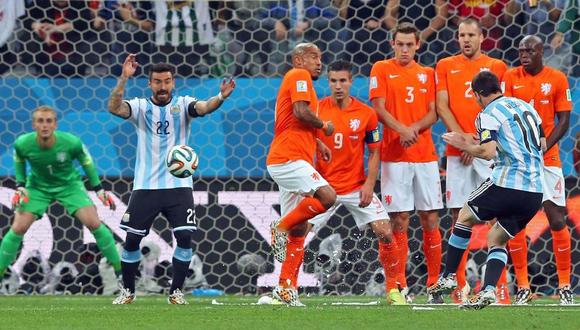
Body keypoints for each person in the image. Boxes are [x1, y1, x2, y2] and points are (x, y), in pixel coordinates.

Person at [271, 60, 404, 306]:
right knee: (298, 232)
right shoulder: (317, 111)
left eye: (343, 81)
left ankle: (394, 290)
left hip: (355, 186)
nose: (338, 86)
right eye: (333, 81)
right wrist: (319, 144)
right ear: (328, 82)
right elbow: (305, 137)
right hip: (323, 188)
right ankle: (285, 288)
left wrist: (369, 185)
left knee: (385, 231)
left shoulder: (367, 114)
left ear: (351, 82)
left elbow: (374, 152)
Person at [108, 55, 236, 304]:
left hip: (179, 186)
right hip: (146, 186)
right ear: (149, 84)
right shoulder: (140, 107)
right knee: (132, 239)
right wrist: (124, 78)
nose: (162, 86)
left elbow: (204, 107)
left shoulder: (183, 104)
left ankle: (176, 292)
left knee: (185, 238)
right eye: (157, 82)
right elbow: (114, 108)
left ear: (173, 83)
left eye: (167, 81)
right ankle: (128, 291)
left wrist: (220, 97)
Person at [428, 71, 545, 310]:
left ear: (478, 94)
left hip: (508, 183)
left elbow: (488, 152)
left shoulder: (487, 114)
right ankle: (489, 290)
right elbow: (541, 144)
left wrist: (464, 145)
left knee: (464, 215)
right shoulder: (526, 107)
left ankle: (449, 276)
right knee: (496, 237)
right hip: (535, 192)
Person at [0, 106, 121, 284]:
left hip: (69, 185)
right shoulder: (23, 143)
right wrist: (20, 185)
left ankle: (120, 273)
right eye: (40, 121)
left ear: (55, 124)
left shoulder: (71, 142)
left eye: (49, 121)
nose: (45, 125)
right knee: (18, 228)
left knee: (94, 223)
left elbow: (86, 162)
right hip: (37, 187)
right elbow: (19, 159)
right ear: (34, 124)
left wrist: (99, 190)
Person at [435, 17, 508, 303]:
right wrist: (462, 138)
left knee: (498, 219)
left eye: (470, 35)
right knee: (458, 216)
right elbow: (442, 104)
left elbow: (501, 108)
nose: (465, 40)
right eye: (461, 35)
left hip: (489, 151)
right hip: (458, 152)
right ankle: (460, 286)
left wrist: (474, 139)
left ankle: (498, 287)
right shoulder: (444, 65)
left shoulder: (497, 66)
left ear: (481, 37)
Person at [369, 22, 443, 304]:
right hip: (393, 155)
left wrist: (411, 129)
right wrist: (402, 130)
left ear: (417, 45)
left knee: (430, 217)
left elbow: (434, 112)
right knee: (398, 219)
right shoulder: (381, 68)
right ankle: (399, 285)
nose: (404, 49)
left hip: (424, 155)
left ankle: (434, 284)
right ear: (392, 44)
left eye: (409, 44)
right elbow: (379, 108)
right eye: (399, 44)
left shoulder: (428, 73)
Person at [502, 35, 574, 305]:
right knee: (515, 219)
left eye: (530, 50)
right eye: (521, 50)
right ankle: (522, 286)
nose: (524, 54)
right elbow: (503, 116)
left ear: (542, 51)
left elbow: (564, 120)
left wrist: (545, 146)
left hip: (548, 159)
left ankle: (564, 284)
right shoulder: (510, 78)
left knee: (556, 218)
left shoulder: (557, 78)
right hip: (519, 160)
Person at [267, 43, 336, 302]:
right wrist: (324, 125)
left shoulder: (300, 80)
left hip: (293, 158)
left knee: (301, 228)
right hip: (288, 158)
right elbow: (301, 111)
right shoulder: (299, 75)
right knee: (328, 197)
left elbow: (292, 120)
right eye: (313, 57)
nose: (319, 62)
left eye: (321, 57)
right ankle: (279, 227)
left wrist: (317, 142)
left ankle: (285, 288)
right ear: (298, 59)